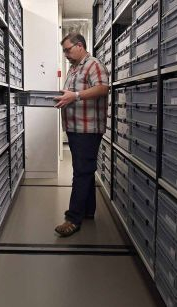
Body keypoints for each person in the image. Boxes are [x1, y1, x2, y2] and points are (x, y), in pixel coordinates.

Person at [53, 32, 109, 237]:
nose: (66, 54)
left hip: (88, 128)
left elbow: (103, 88)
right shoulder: (74, 69)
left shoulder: (92, 64)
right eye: (64, 50)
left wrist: (75, 95)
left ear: (79, 46)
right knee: (85, 170)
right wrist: (64, 96)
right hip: (75, 127)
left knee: (81, 172)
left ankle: (72, 219)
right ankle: (88, 211)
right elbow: (74, 95)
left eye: (68, 49)